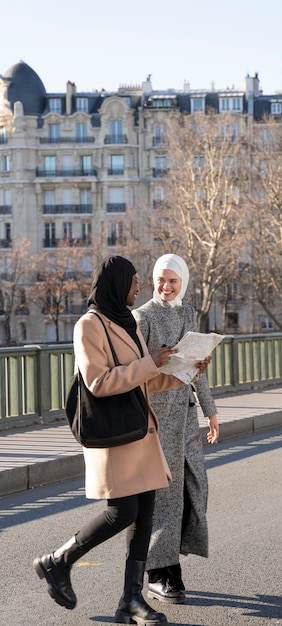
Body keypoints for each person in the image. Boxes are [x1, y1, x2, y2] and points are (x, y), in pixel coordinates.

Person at [33, 255, 210, 625]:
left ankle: (130, 600)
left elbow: (145, 379)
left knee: (144, 514)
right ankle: (57, 560)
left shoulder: (126, 322)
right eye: (133, 283)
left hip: (140, 432)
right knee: (122, 511)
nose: (139, 288)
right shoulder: (89, 326)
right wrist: (152, 362)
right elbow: (99, 382)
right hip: (114, 435)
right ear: (117, 284)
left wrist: (185, 371)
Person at [132, 253, 219, 605]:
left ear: (183, 282)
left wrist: (211, 412)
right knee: (165, 495)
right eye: (161, 280)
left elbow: (197, 369)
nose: (166, 287)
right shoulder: (143, 316)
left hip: (186, 416)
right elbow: (136, 369)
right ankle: (159, 573)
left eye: (173, 281)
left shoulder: (187, 313)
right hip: (158, 417)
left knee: (195, 488)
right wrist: (160, 361)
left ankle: (169, 563)